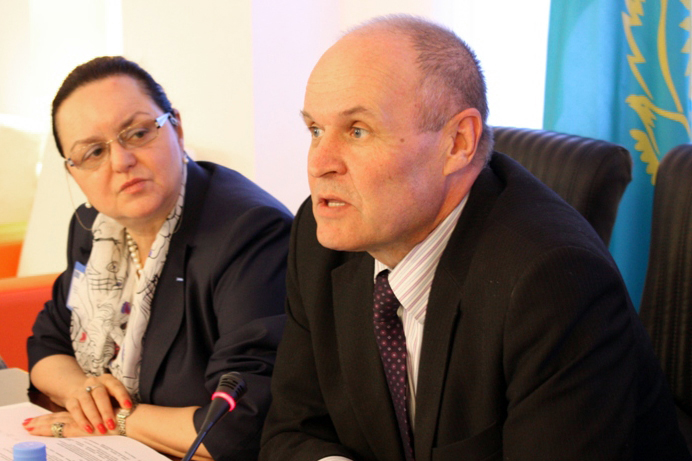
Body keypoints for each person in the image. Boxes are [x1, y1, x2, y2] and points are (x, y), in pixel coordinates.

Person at [259, 15, 691, 461]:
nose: (319, 163)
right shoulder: (322, 240)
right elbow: (291, 431)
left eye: (357, 131)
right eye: (315, 130)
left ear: (458, 142)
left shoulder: (553, 284)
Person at [24, 56, 292, 460]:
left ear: (176, 129)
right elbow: (46, 345)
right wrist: (82, 391)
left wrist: (116, 420)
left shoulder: (250, 235)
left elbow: (239, 425)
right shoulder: (94, 229)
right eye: (94, 152)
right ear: (73, 172)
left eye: (137, 133)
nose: (121, 161)